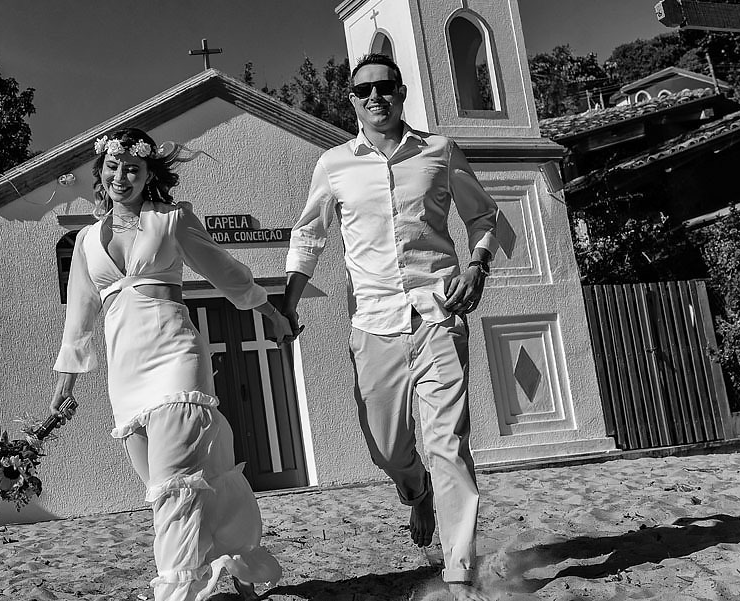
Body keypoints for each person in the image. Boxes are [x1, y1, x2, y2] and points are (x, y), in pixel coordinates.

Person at [281, 53, 509, 601]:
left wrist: (477, 262)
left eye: (385, 87)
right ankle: (416, 491)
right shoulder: (334, 164)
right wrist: (289, 300)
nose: (375, 97)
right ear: (352, 101)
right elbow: (310, 233)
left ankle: (460, 571)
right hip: (374, 325)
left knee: (448, 442)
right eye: (364, 91)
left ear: (401, 92)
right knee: (386, 448)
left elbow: (484, 216)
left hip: (438, 313)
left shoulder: (439, 151)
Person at [51, 127, 289, 601]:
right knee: (176, 484)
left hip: (175, 358)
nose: (123, 176)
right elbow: (79, 319)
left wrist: (271, 313)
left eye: (133, 169)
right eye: (113, 167)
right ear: (100, 173)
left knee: (175, 488)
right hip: (126, 375)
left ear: (147, 174)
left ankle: (176, 593)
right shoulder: (84, 243)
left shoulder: (171, 219)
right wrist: (65, 384)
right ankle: (236, 566)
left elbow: (224, 270)